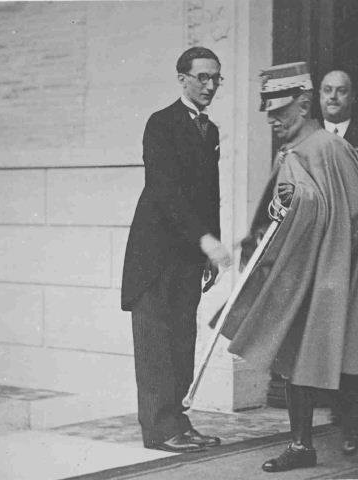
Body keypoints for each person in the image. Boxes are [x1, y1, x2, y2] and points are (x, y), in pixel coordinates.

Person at [220, 61, 358, 472]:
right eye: (269, 112)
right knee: (294, 356)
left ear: (303, 104)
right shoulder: (292, 151)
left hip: (328, 275)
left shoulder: (330, 149)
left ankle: (344, 428)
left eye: (280, 111)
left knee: (332, 355)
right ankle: (301, 444)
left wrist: (327, 256)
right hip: (297, 273)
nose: (273, 119)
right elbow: (280, 212)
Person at [120, 47, 232, 453]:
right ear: (182, 78)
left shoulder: (210, 130)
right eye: (202, 77)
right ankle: (158, 430)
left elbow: (209, 197)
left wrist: (208, 247)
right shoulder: (161, 123)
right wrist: (205, 240)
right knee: (156, 345)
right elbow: (165, 191)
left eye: (216, 77)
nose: (210, 85)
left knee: (182, 343)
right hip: (154, 256)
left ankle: (178, 423)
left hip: (188, 256)